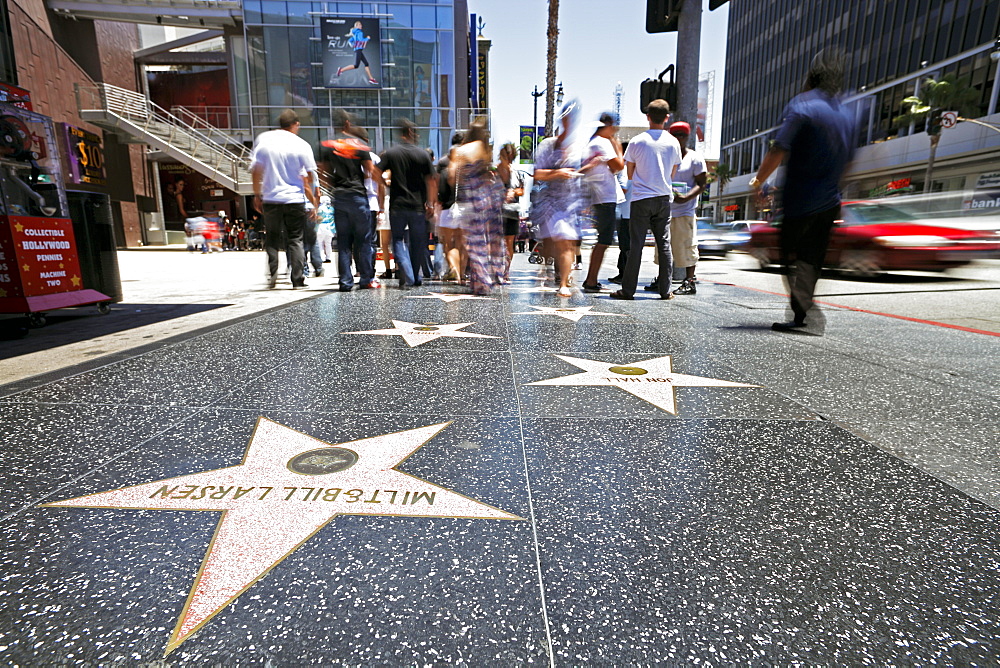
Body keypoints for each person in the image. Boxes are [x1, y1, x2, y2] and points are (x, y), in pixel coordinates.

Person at [750, 47, 855, 332]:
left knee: (790, 256)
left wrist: (758, 182)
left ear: (811, 78)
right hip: (829, 201)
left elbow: (779, 148)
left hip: (800, 200)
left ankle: (802, 312)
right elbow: (849, 160)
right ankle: (804, 308)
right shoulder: (846, 112)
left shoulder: (802, 105)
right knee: (812, 257)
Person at [610, 99, 681, 301]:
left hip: (641, 198)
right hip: (663, 198)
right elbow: (673, 173)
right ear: (667, 118)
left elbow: (630, 173)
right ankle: (666, 290)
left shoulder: (637, 141)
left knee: (636, 246)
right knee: (664, 244)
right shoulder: (673, 142)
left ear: (647, 116)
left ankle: (628, 290)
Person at [250, 108, 319, 289]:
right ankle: (297, 279)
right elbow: (310, 176)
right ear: (295, 124)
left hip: (271, 198)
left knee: (272, 237)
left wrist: (258, 194)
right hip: (294, 199)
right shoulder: (301, 144)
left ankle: (272, 275)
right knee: (295, 239)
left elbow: (256, 171)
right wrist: (312, 201)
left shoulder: (264, 141)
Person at [318, 109, 380, 292]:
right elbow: (369, 170)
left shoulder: (327, 145)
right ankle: (366, 279)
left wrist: (333, 186)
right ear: (347, 123)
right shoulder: (359, 145)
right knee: (364, 240)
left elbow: (322, 172)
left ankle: (345, 282)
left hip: (339, 197)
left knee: (344, 241)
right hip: (358, 196)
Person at [644, 121, 707, 295]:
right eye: (675, 135)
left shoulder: (694, 158)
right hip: (664, 209)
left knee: (686, 246)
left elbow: (702, 183)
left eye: (682, 135)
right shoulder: (665, 156)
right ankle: (662, 279)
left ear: (687, 137)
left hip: (684, 210)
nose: (679, 138)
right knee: (663, 248)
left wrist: (687, 197)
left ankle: (689, 281)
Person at [533, 100, 587, 297]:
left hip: (571, 202)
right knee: (554, 243)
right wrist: (558, 173)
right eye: (567, 118)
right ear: (562, 120)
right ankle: (553, 271)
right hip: (551, 203)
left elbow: (583, 173)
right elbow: (537, 173)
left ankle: (563, 281)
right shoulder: (548, 144)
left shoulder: (578, 147)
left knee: (566, 242)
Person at [373, 119, 437, 288]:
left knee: (398, 240)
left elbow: (374, 172)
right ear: (410, 133)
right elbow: (431, 181)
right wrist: (430, 204)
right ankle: (414, 276)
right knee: (417, 243)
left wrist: (385, 183)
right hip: (417, 206)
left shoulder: (392, 153)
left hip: (397, 205)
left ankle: (408, 273)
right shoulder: (423, 155)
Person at [450, 117, 504, 295]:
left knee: (473, 243)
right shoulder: (485, 151)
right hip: (487, 200)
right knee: (485, 241)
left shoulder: (461, 150)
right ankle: (488, 277)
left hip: (470, 201)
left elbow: (451, 176)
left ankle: (481, 281)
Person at [581, 112, 625, 293]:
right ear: (608, 126)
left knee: (604, 240)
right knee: (604, 240)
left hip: (601, 197)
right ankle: (591, 280)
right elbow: (618, 166)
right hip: (605, 198)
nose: (615, 131)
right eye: (614, 127)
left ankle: (591, 279)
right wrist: (618, 147)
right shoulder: (602, 142)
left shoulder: (593, 142)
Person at [436, 132, 465, 283]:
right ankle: (461, 272)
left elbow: (438, 184)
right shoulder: (468, 163)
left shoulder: (443, 163)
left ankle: (453, 268)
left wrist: (436, 202)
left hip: (447, 207)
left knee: (447, 242)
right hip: (464, 207)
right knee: (461, 243)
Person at [496, 142, 525, 283]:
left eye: (510, 157)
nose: (507, 159)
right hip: (496, 212)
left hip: (512, 212)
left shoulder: (516, 173)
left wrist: (513, 192)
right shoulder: (494, 172)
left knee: (509, 243)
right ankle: (496, 271)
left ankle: (505, 272)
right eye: (505, 156)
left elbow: (522, 190)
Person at [335, 20, 378, 86]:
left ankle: (371, 79)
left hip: (358, 50)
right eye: (360, 25)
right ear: (357, 26)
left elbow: (350, 40)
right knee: (356, 65)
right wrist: (367, 39)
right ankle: (341, 70)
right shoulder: (359, 32)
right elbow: (361, 40)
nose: (361, 26)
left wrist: (354, 45)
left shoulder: (355, 34)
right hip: (358, 50)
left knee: (366, 63)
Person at [316, 195, 335, 262]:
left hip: (320, 227)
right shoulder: (332, 209)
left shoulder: (320, 208)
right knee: (328, 243)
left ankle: (321, 257)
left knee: (320, 243)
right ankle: (328, 257)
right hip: (330, 228)